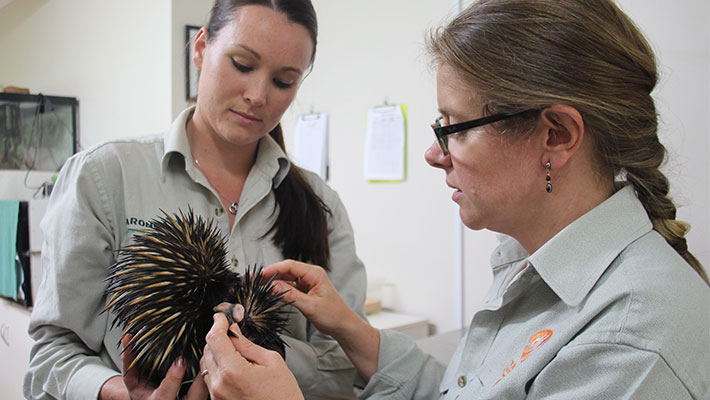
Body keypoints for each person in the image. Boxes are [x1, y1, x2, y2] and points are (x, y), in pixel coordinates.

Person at [194, 0, 710, 398]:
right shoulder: (525, 267)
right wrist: (353, 330)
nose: (432, 154)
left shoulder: (631, 344)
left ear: (555, 135)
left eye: (455, 129)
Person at [23, 1, 367, 399]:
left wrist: (270, 363)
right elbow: (51, 354)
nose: (257, 95)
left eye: (284, 81)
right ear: (201, 48)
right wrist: (118, 392)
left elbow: (352, 360)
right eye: (241, 64)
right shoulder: (104, 176)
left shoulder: (321, 206)